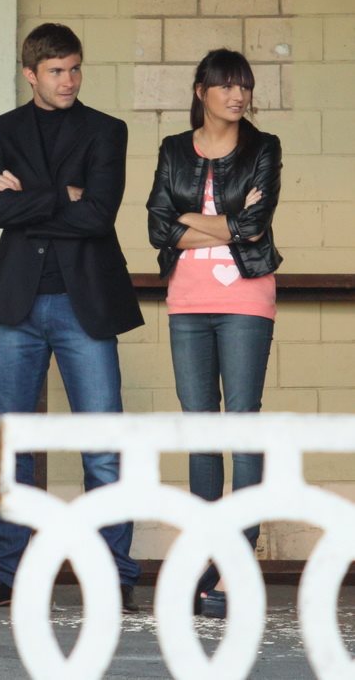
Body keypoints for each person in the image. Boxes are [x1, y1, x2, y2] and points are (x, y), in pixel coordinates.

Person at [0, 23, 144, 613]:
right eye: (55, 71)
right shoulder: (2, 129)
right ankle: (7, 568)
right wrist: (60, 195)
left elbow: (97, 216)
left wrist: (27, 197)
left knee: (102, 443)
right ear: (30, 73)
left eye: (74, 69)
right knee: (10, 442)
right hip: (15, 304)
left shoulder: (106, 130)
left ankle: (114, 572)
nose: (68, 80)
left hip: (84, 302)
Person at [147, 48, 282, 619]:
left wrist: (188, 220)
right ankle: (205, 555)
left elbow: (254, 227)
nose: (238, 95)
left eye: (244, 86)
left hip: (245, 297)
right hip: (187, 299)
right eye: (226, 85)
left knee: (242, 421)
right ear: (201, 91)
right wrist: (225, 224)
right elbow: (156, 226)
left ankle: (236, 561)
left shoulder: (263, 148)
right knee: (200, 425)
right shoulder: (174, 149)